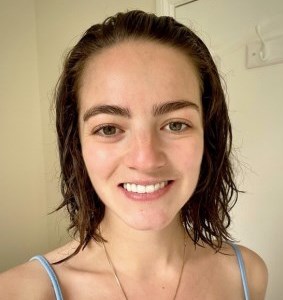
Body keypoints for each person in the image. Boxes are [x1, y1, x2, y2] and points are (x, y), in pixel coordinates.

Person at [0, 10, 267, 299]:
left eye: (175, 124)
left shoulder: (247, 275)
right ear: (77, 145)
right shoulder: (19, 292)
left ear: (208, 135)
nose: (146, 160)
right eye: (109, 129)